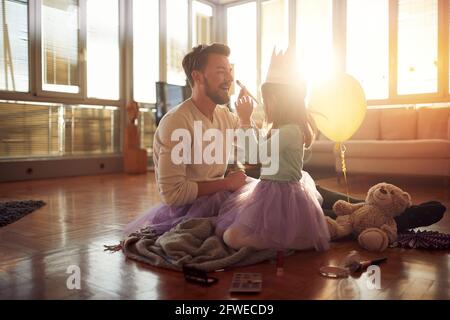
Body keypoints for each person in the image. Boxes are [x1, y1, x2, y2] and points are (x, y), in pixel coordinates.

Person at [124, 43, 445, 239]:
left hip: (228, 189)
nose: (230, 77)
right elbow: (173, 194)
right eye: (220, 70)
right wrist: (226, 184)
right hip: (194, 209)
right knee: (297, 209)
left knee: (299, 186)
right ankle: (387, 219)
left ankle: (383, 209)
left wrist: (256, 116)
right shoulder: (175, 123)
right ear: (197, 77)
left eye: (230, 70)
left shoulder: (224, 116)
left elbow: (260, 151)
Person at [215, 75, 331, 250]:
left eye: (265, 101)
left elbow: (255, 155)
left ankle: (292, 241)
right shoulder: (283, 128)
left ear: (276, 101)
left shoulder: (290, 131)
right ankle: (294, 236)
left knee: (231, 237)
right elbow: (259, 146)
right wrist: (247, 120)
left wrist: (245, 119)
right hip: (269, 190)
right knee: (229, 233)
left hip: (282, 196)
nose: (264, 105)